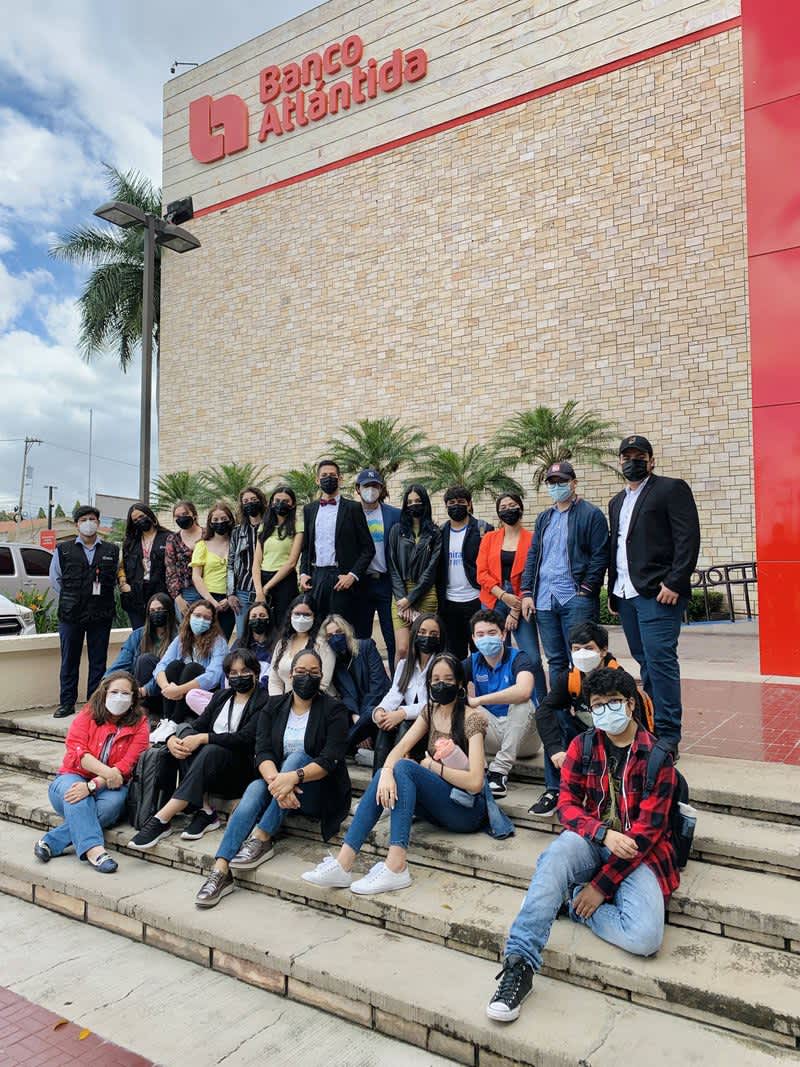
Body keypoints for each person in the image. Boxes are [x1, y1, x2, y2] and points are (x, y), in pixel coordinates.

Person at [487, 666, 679, 1024]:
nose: (606, 711)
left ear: (631, 704)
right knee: (557, 854)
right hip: (594, 841)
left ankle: (572, 903)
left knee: (646, 938)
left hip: (640, 855)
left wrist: (598, 887)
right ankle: (519, 963)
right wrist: (602, 834)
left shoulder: (657, 757)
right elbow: (567, 806)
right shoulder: (584, 745)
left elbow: (647, 835)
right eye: (598, 705)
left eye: (614, 702)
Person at [302, 652, 513, 896]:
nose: (441, 685)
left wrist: (433, 767)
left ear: (459, 684)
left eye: (448, 680)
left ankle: (396, 866)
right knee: (388, 771)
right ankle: (343, 863)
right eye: (435, 680)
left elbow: (476, 782)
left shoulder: (472, 719)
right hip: (441, 803)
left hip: (467, 810)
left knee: (404, 767)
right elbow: (400, 748)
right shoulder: (430, 711)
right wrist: (387, 773)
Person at [194, 649, 351, 908]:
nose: (307, 677)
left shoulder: (334, 710)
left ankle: (262, 835)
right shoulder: (274, 707)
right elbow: (263, 752)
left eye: (313, 672)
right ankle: (220, 869)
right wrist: (279, 784)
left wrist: (293, 777)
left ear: (322, 676)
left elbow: (329, 760)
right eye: (301, 672)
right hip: (279, 788)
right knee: (255, 789)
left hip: (317, 790)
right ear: (291, 675)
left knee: (297, 758)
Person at [608, 435, 701, 754]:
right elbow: (617, 547)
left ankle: (669, 736)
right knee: (645, 661)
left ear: (651, 460)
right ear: (620, 462)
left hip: (658, 594)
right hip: (626, 594)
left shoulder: (671, 489)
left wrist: (675, 582)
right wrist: (614, 591)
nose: (632, 461)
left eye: (639, 456)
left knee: (660, 662)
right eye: (626, 457)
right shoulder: (616, 501)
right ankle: (651, 724)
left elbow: (688, 538)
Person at [128, 650, 267, 849]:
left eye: (245, 671)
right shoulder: (222, 696)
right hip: (210, 770)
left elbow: (245, 738)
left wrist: (203, 738)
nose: (239, 677)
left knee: (209, 748)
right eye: (233, 673)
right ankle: (205, 810)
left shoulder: (264, 701)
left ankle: (162, 818)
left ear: (255, 673)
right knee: (185, 736)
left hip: (239, 773)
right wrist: (172, 739)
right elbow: (199, 725)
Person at [33, 671, 149, 874]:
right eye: (114, 692)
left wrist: (92, 786)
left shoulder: (141, 724)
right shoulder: (88, 714)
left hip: (110, 786)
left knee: (108, 806)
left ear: (133, 699)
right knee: (75, 793)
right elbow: (79, 753)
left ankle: (51, 841)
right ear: (104, 693)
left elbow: (126, 765)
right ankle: (95, 850)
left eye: (125, 693)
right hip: (72, 775)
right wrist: (105, 776)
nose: (119, 697)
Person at [520, 462, 609, 680]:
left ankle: (587, 700)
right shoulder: (544, 518)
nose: (556, 486)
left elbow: (600, 555)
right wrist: (527, 592)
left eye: (561, 481)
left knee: (583, 659)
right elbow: (533, 555)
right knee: (555, 660)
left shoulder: (591, 514)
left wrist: (587, 589)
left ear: (574, 483)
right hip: (544, 599)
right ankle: (560, 703)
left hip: (575, 597)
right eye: (552, 483)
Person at [530, 620, 628, 817]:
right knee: (555, 715)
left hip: (613, 737)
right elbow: (544, 710)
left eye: (589, 648)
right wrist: (555, 749)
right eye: (576, 649)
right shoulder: (569, 677)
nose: (582, 654)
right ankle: (554, 790)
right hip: (585, 731)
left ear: (603, 650)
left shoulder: (620, 678)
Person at [49, 505, 120, 719]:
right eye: (84, 520)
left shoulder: (111, 550)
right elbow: (56, 580)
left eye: (92, 519)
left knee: (98, 661)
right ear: (77, 524)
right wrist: (75, 597)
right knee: (69, 660)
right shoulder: (63, 549)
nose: (88, 523)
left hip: (101, 613)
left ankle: (93, 704)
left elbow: (115, 579)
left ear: (98, 523)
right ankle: (66, 703)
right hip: (71, 614)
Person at [477, 494, 547, 705]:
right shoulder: (489, 538)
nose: (508, 509)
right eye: (504, 506)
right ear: (498, 513)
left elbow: (533, 574)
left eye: (512, 505)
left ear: (521, 508)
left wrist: (515, 609)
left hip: (522, 604)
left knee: (532, 657)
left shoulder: (532, 538)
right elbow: (481, 573)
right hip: (493, 601)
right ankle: (500, 703)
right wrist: (503, 596)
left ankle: (542, 705)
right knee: (495, 655)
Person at [464, 609, 540, 799]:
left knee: (522, 702)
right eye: (480, 634)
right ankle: (479, 769)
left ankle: (498, 773)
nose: (486, 639)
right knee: (461, 706)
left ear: (503, 634)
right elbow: (447, 678)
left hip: (525, 740)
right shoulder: (473, 661)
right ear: (473, 638)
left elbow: (524, 690)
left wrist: (480, 700)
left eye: (492, 633)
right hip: (492, 734)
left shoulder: (519, 658)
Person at [299, 459, 375, 625]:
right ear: (317, 480)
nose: (328, 478)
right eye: (324, 475)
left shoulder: (354, 508)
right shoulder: (309, 509)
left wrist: (352, 575)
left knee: (342, 629)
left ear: (340, 479)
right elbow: (306, 548)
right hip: (317, 578)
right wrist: (303, 574)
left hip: (342, 578)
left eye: (332, 475)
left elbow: (368, 549)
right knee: (317, 628)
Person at [371, 612, 445, 771]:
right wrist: (381, 711)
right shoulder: (405, 665)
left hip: (434, 725)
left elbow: (435, 704)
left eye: (433, 634)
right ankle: (378, 778)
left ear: (440, 638)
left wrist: (402, 713)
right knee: (385, 727)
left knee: (405, 724)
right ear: (415, 634)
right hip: (411, 722)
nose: (427, 637)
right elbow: (394, 694)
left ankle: (396, 773)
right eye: (422, 632)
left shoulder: (443, 665)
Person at [351, 469, 401, 671]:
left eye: (375, 486)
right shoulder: (350, 513)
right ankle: (365, 680)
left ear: (381, 489)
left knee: (392, 637)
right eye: (366, 486)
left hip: (386, 582)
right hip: (360, 583)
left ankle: (396, 682)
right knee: (361, 639)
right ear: (358, 489)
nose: (371, 490)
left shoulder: (394, 515)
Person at [151, 600, 228, 727]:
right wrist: (167, 688)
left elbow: (214, 676)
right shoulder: (181, 639)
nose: (201, 620)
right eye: (197, 615)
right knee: (174, 665)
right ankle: (167, 721)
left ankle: (175, 722)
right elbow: (161, 666)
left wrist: (179, 690)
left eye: (206, 618)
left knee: (192, 668)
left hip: (203, 694)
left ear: (212, 622)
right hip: (178, 695)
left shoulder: (218, 642)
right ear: (189, 616)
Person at [387, 484, 442, 664]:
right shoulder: (397, 530)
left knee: (423, 648)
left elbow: (431, 570)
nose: (413, 505)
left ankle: (424, 681)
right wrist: (403, 599)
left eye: (417, 501)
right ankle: (399, 682)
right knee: (403, 649)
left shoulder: (434, 533)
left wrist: (411, 599)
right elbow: (393, 566)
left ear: (425, 503)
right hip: (400, 593)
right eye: (409, 502)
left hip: (425, 593)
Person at [322, 613, 391, 754]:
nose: (335, 637)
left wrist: (362, 720)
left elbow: (378, 686)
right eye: (330, 636)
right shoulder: (334, 663)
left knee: (371, 712)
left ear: (347, 632)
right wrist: (356, 717)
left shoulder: (366, 647)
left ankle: (336, 752)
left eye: (339, 632)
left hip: (379, 706)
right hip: (356, 716)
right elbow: (345, 696)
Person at [105, 591, 177, 718]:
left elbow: (169, 671)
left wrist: (145, 690)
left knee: (145, 660)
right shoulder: (138, 635)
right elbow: (122, 663)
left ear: (169, 611)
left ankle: (145, 710)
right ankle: (142, 710)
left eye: (160, 609)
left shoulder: (179, 637)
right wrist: (105, 683)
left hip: (166, 693)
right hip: (140, 693)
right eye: (152, 611)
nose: (156, 613)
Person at [437, 486, 483, 659]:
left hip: (476, 599)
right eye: (452, 503)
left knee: (481, 652)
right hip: (449, 603)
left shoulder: (482, 529)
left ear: (469, 504)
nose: (456, 506)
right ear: (446, 506)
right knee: (454, 655)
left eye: (461, 502)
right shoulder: (440, 532)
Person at [252, 485, 303, 632]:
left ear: (293, 504)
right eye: (277, 500)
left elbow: (292, 562)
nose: (281, 504)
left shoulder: (298, 526)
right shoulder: (264, 527)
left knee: (283, 625)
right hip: (262, 579)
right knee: (264, 625)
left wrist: (267, 588)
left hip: (284, 580)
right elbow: (256, 562)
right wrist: (259, 590)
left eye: (286, 501)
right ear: (271, 503)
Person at [267, 594, 335, 696]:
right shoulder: (282, 643)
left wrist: (296, 702)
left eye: (307, 614)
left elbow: (323, 684)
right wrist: (277, 701)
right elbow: (274, 680)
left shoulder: (322, 645)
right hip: (284, 702)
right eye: (297, 614)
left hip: (316, 700)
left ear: (314, 616)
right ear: (290, 615)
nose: (301, 618)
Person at [117, 502, 170, 629]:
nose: (139, 521)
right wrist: (123, 585)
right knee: (140, 634)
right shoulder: (130, 542)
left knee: (162, 634)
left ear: (150, 515)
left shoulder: (168, 537)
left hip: (161, 595)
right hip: (135, 596)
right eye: (135, 520)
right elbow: (122, 566)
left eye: (141, 516)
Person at [228, 486, 268, 641]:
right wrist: (230, 593)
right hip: (243, 591)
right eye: (245, 501)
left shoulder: (271, 528)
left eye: (253, 499)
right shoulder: (237, 532)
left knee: (268, 635)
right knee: (243, 636)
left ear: (261, 501)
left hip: (267, 588)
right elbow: (231, 563)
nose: (250, 503)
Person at [192, 502, 237, 640]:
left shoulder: (237, 543)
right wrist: (211, 601)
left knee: (223, 640)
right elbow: (196, 576)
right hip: (207, 599)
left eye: (224, 519)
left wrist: (229, 599)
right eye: (215, 520)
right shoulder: (202, 545)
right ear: (210, 523)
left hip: (231, 599)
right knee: (203, 640)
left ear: (230, 520)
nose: (220, 522)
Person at [165, 500, 204, 620]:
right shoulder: (173, 539)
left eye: (185, 514)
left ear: (194, 514)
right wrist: (178, 598)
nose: (181, 518)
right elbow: (170, 571)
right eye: (177, 516)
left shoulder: (208, 535)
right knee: (186, 628)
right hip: (186, 592)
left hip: (210, 590)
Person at [231, 601, 273, 688]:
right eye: (254, 616)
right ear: (248, 621)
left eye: (262, 616)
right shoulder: (239, 643)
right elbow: (229, 668)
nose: (258, 619)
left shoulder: (277, 644)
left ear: (269, 619)